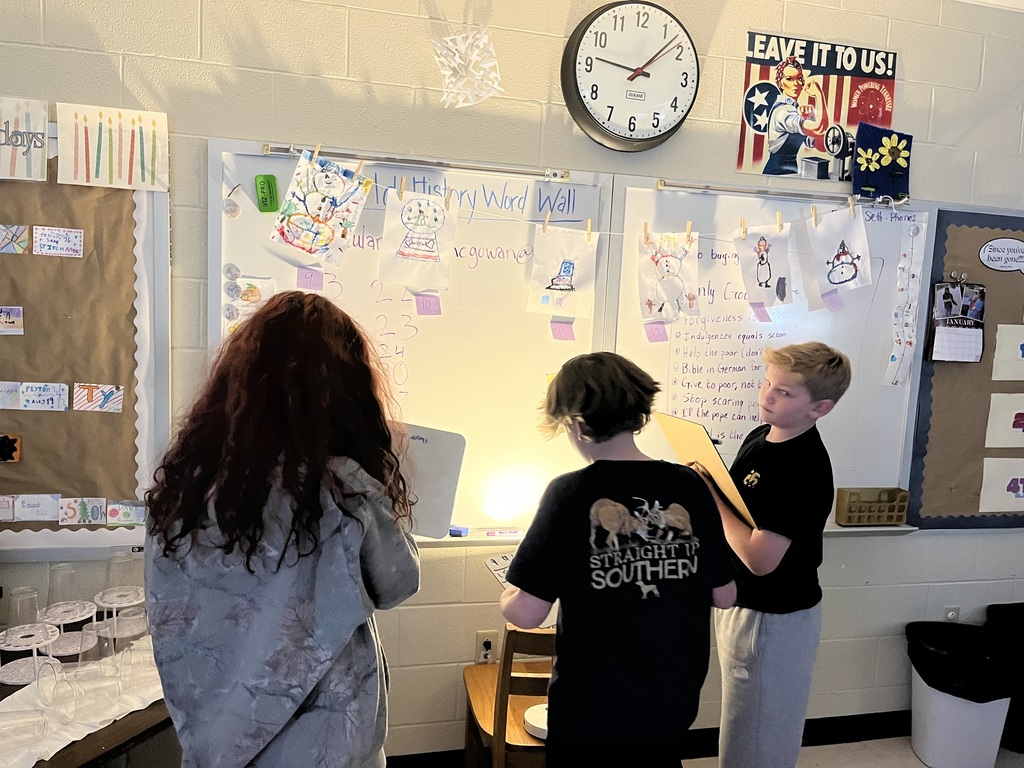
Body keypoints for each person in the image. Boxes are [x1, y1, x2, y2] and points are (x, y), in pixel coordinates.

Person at [145, 291, 419, 768]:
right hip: (326, 747)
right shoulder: (341, 487)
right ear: (345, 392)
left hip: (214, 743)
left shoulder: (184, 488)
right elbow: (398, 582)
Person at [499, 352, 736, 768]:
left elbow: (526, 613)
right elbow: (725, 594)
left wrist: (508, 591)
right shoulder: (689, 485)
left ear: (574, 423)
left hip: (591, 711)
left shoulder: (568, 493)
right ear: (640, 412)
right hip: (672, 702)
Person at [695, 342, 851, 768]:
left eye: (783, 392)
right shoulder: (761, 436)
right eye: (768, 383)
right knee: (741, 723)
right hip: (742, 604)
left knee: (761, 735)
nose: (766, 395)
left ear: (819, 408)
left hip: (772, 618)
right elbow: (739, 510)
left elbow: (760, 559)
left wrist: (710, 498)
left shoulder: (804, 466)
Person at [764, 56, 829, 176]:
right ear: (781, 84)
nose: (796, 84)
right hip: (776, 172)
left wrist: (811, 117)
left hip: (791, 172)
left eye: (799, 78)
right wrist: (819, 95)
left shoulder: (795, 109)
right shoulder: (783, 112)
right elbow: (819, 129)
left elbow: (820, 146)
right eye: (789, 79)